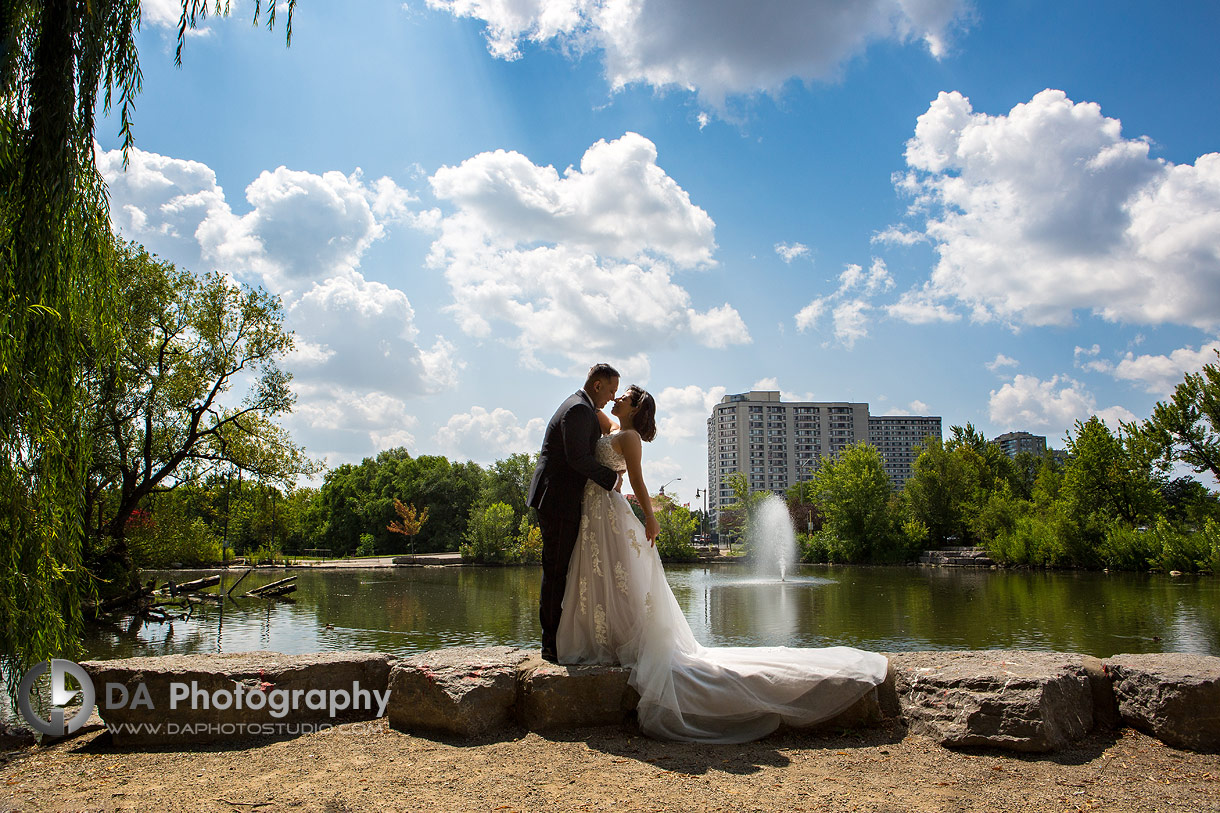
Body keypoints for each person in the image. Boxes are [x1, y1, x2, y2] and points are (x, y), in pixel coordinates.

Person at [556, 385, 889, 743]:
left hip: (610, 510)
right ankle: (605, 638)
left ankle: (623, 640)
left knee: (618, 575)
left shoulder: (630, 438)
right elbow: (593, 410)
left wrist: (650, 517)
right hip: (596, 510)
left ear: (636, 408)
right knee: (602, 573)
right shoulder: (613, 429)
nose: (617, 398)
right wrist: (593, 395)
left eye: (624, 396)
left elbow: (636, 478)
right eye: (616, 393)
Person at [527, 363, 625, 664]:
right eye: (611, 390)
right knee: (556, 571)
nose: (612, 397)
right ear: (597, 385)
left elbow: (607, 428)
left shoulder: (584, 407)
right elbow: (578, 458)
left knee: (561, 570)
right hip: (557, 500)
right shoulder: (579, 409)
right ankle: (550, 645)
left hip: (561, 499)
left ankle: (559, 640)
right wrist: (612, 479)